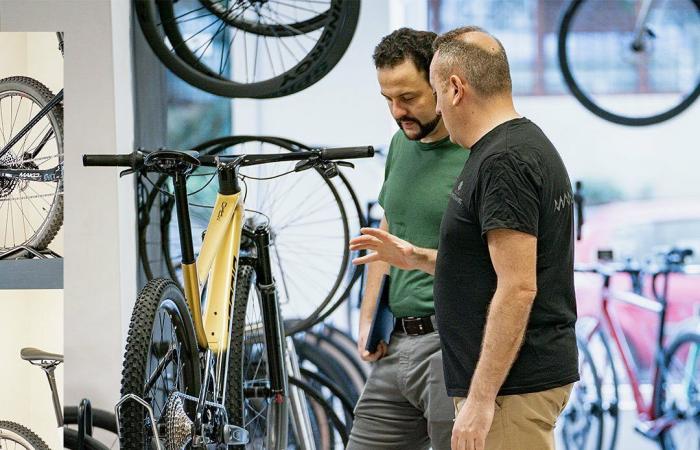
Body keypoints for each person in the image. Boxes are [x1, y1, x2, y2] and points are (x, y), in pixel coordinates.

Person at [351, 26, 578, 450]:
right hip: (493, 378)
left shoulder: (505, 161)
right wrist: (412, 257)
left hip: (512, 383)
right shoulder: (509, 148)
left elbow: (518, 287)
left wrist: (479, 399)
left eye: (430, 92)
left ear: (454, 89)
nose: (406, 110)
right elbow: (479, 263)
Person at [346, 28, 469, 450]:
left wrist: (413, 256)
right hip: (396, 342)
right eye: (388, 100)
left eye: (409, 98)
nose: (398, 111)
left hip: (451, 345)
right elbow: (387, 233)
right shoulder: (400, 144)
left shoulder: (479, 154)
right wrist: (368, 321)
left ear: (442, 83)